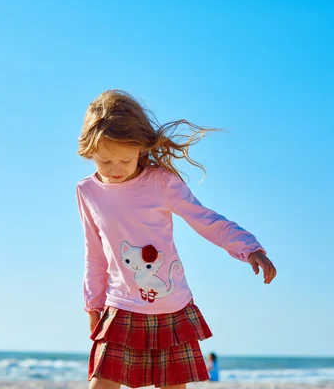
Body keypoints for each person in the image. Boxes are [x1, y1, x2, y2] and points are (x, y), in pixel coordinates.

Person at [76, 90, 276, 389]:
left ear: (141, 150)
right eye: (105, 161)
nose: (115, 169)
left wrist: (249, 248)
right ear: (89, 152)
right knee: (100, 384)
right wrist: (93, 305)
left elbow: (205, 220)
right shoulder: (87, 192)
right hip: (120, 305)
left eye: (125, 160)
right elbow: (94, 254)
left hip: (172, 306)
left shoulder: (161, 183)